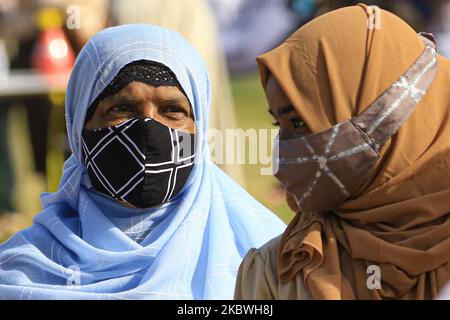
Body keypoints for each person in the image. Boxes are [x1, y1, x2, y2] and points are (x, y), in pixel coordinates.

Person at [0, 24, 286, 300]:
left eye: (173, 110)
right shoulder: (21, 271)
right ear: (78, 125)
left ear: (199, 126)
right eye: (122, 108)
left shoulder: (264, 258)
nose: (148, 128)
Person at [235, 4, 450, 299]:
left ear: (387, 114)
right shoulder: (281, 270)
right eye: (279, 124)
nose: (283, 154)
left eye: (299, 122)